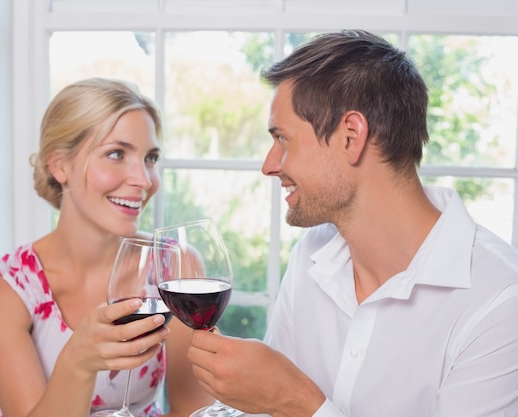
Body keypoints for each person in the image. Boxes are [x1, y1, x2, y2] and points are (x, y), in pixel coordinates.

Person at [186, 30, 518, 417]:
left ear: (351, 136)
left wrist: (297, 403)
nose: (269, 165)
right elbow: (266, 407)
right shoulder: (312, 255)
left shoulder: (499, 303)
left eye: (282, 139)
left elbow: (283, 401)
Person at [0, 78, 211, 417]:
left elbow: (193, 410)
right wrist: (79, 360)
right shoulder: (1, 287)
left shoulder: (176, 266)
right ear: (60, 165)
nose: (143, 180)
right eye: (116, 154)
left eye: (150, 158)